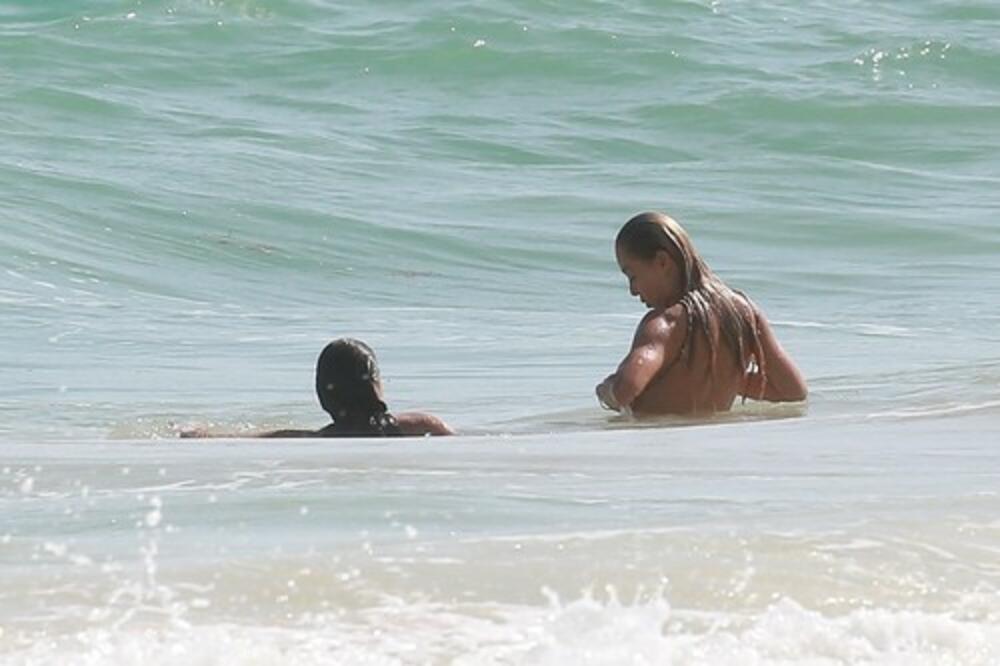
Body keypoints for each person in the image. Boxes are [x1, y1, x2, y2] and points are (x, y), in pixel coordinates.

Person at [595, 211, 807, 416]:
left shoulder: (665, 323)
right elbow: (793, 391)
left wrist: (606, 390)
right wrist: (725, 377)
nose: (632, 290)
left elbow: (626, 389)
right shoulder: (744, 312)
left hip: (661, 438)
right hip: (711, 440)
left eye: (632, 276)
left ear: (662, 261)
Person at [183, 338, 454, 438]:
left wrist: (199, 434)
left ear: (324, 393)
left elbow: (251, 438)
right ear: (375, 384)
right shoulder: (421, 425)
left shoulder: (315, 439)